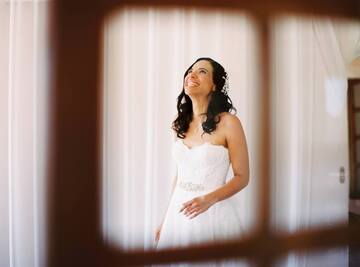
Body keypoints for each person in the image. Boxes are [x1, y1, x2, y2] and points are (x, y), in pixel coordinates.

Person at [155, 57, 250, 266]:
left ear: (214, 85)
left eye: (202, 71)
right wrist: (164, 221)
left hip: (213, 215)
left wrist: (208, 200)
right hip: (178, 217)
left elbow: (243, 177)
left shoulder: (229, 123)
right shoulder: (179, 125)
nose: (192, 74)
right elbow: (179, 177)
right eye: (190, 70)